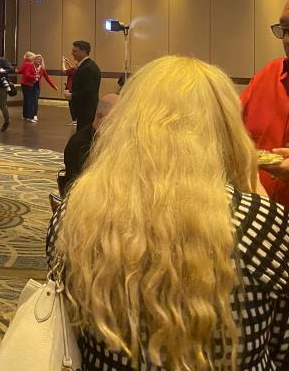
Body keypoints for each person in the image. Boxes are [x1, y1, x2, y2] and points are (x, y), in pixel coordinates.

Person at [48, 56, 288, 369]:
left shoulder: (75, 210)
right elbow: (281, 344)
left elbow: (70, 320)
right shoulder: (263, 223)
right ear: (227, 128)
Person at [241, 0, 289, 205]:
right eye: (284, 29)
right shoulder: (267, 76)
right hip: (260, 218)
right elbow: (227, 129)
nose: (286, 40)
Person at [61, 93, 118, 194]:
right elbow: (88, 185)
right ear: (100, 116)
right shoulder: (81, 144)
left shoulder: (104, 139)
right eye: (116, 118)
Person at [66, 40, 100, 131]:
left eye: (74, 51)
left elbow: (89, 91)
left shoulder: (87, 68)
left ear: (84, 51)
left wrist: (72, 95)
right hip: (85, 109)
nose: (72, 53)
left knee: (84, 136)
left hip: (86, 110)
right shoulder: (86, 66)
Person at [28, 54, 56, 122]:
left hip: (37, 86)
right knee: (30, 101)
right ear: (35, 60)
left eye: (40, 60)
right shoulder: (31, 66)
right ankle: (29, 115)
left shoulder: (42, 69)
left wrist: (53, 86)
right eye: (37, 59)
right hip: (30, 85)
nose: (39, 61)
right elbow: (28, 75)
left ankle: (35, 115)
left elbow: (47, 78)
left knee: (35, 101)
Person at [62, 55, 77, 125]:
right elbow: (71, 69)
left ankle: (74, 120)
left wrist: (63, 62)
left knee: (71, 105)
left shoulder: (74, 69)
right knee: (75, 103)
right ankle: (76, 120)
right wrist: (68, 63)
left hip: (70, 89)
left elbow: (64, 71)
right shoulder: (78, 69)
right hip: (75, 89)